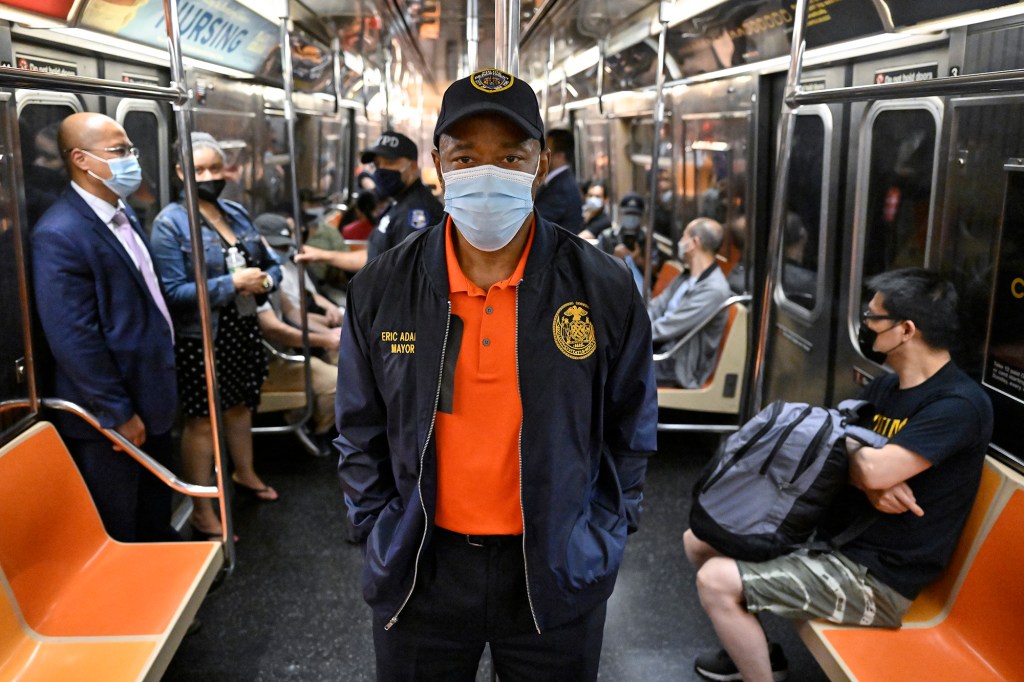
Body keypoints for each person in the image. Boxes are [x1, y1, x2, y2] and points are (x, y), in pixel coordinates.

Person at [335, 67, 658, 681]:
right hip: (421, 562)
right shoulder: (383, 288)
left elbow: (631, 423)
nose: (488, 174)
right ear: (437, 165)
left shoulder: (603, 286)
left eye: (511, 157)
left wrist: (604, 532)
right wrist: (378, 526)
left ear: (539, 165)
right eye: (465, 157)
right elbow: (358, 426)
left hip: (555, 564)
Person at [684, 267, 994, 682]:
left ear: (905, 330)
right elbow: (837, 438)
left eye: (873, 318)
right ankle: (757, 653)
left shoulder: (958, 405)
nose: (865, 326)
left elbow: (864, 462)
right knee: (699, 541)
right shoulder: (886, 388)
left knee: (716, 581)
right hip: (835, 541)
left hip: (878, 578)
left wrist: (863, 466)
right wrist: (864, 477)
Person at [30, 112, 178, 542]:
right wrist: (118, 413)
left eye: (130, 149)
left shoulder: (121, 212)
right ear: (81, 159)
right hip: (110, 416)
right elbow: (74, 338)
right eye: (119, 152)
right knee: (121, 525)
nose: (131, 160)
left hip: (149, 394)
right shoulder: (60, 233)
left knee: (153, 512)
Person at [150, 132, 283, 538]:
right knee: (202, 422)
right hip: (201, 336)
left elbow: (273, 263)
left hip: (241, 327)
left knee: (240, 406)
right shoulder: (170, 224)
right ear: (181, 173)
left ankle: (245, 473)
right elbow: (173, 294)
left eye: (214, 168)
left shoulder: (236, 213)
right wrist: (232, 284)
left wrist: (264, 283)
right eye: (199, 169)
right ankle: (203, 511)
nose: (209, 176)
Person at [648, 217, 732, 388]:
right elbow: (656, 306)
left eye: (683, 237)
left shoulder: (713, 290)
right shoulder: (686, 276)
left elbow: (669, 328)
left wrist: (631, 335)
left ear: (694, 242)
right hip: (662, 350)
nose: (680, 242)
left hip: (678, 366)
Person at [254, 213, 343, 349]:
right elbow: (274, 329)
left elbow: (292, 312)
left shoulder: (278, 272)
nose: (284, 251)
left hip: (303, 333)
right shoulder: (255, 278)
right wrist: (325, 338)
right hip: (286, 346)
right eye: (278, 247)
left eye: (286, 246)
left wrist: (331, 333)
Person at [363, 130, 445, 259]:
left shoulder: (417, 211)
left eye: (390, 162)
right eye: (377, 164)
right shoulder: (398, 201)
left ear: (412, 166)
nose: (381, 170)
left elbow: (407, 270)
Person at [534, 128, 588, 237]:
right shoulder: (557, 183)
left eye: (545, 152)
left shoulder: (561, 188)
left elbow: (536, 222)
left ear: (560, 157)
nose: (540, 157)